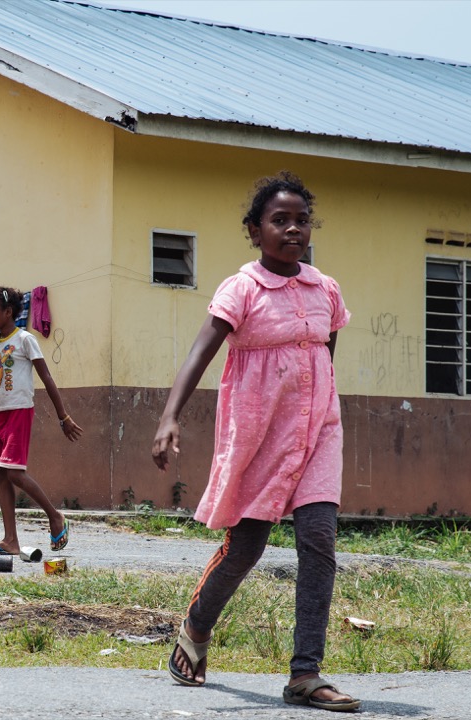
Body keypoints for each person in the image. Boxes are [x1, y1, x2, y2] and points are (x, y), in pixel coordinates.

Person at [151, 172, 361, 712]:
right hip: (259, 435)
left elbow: (323, 355)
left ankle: (304, 674)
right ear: (254, 230)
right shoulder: (241, 288)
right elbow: (201, 352)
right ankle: (195, 631)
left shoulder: (325, 289)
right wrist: (169, 417)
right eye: (279, 220)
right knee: (247, 546)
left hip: (317, 434)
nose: (293, 229)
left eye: (301, 220)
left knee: (318, 541)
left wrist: (316, 411)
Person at [0, 283, 82, 556]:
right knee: (0, 473)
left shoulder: (25, 339)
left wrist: (63, 417)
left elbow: (47, 378)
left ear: (8, 312)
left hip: (19, 412)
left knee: (13, 472)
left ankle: (54, 515)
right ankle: (10, 540)